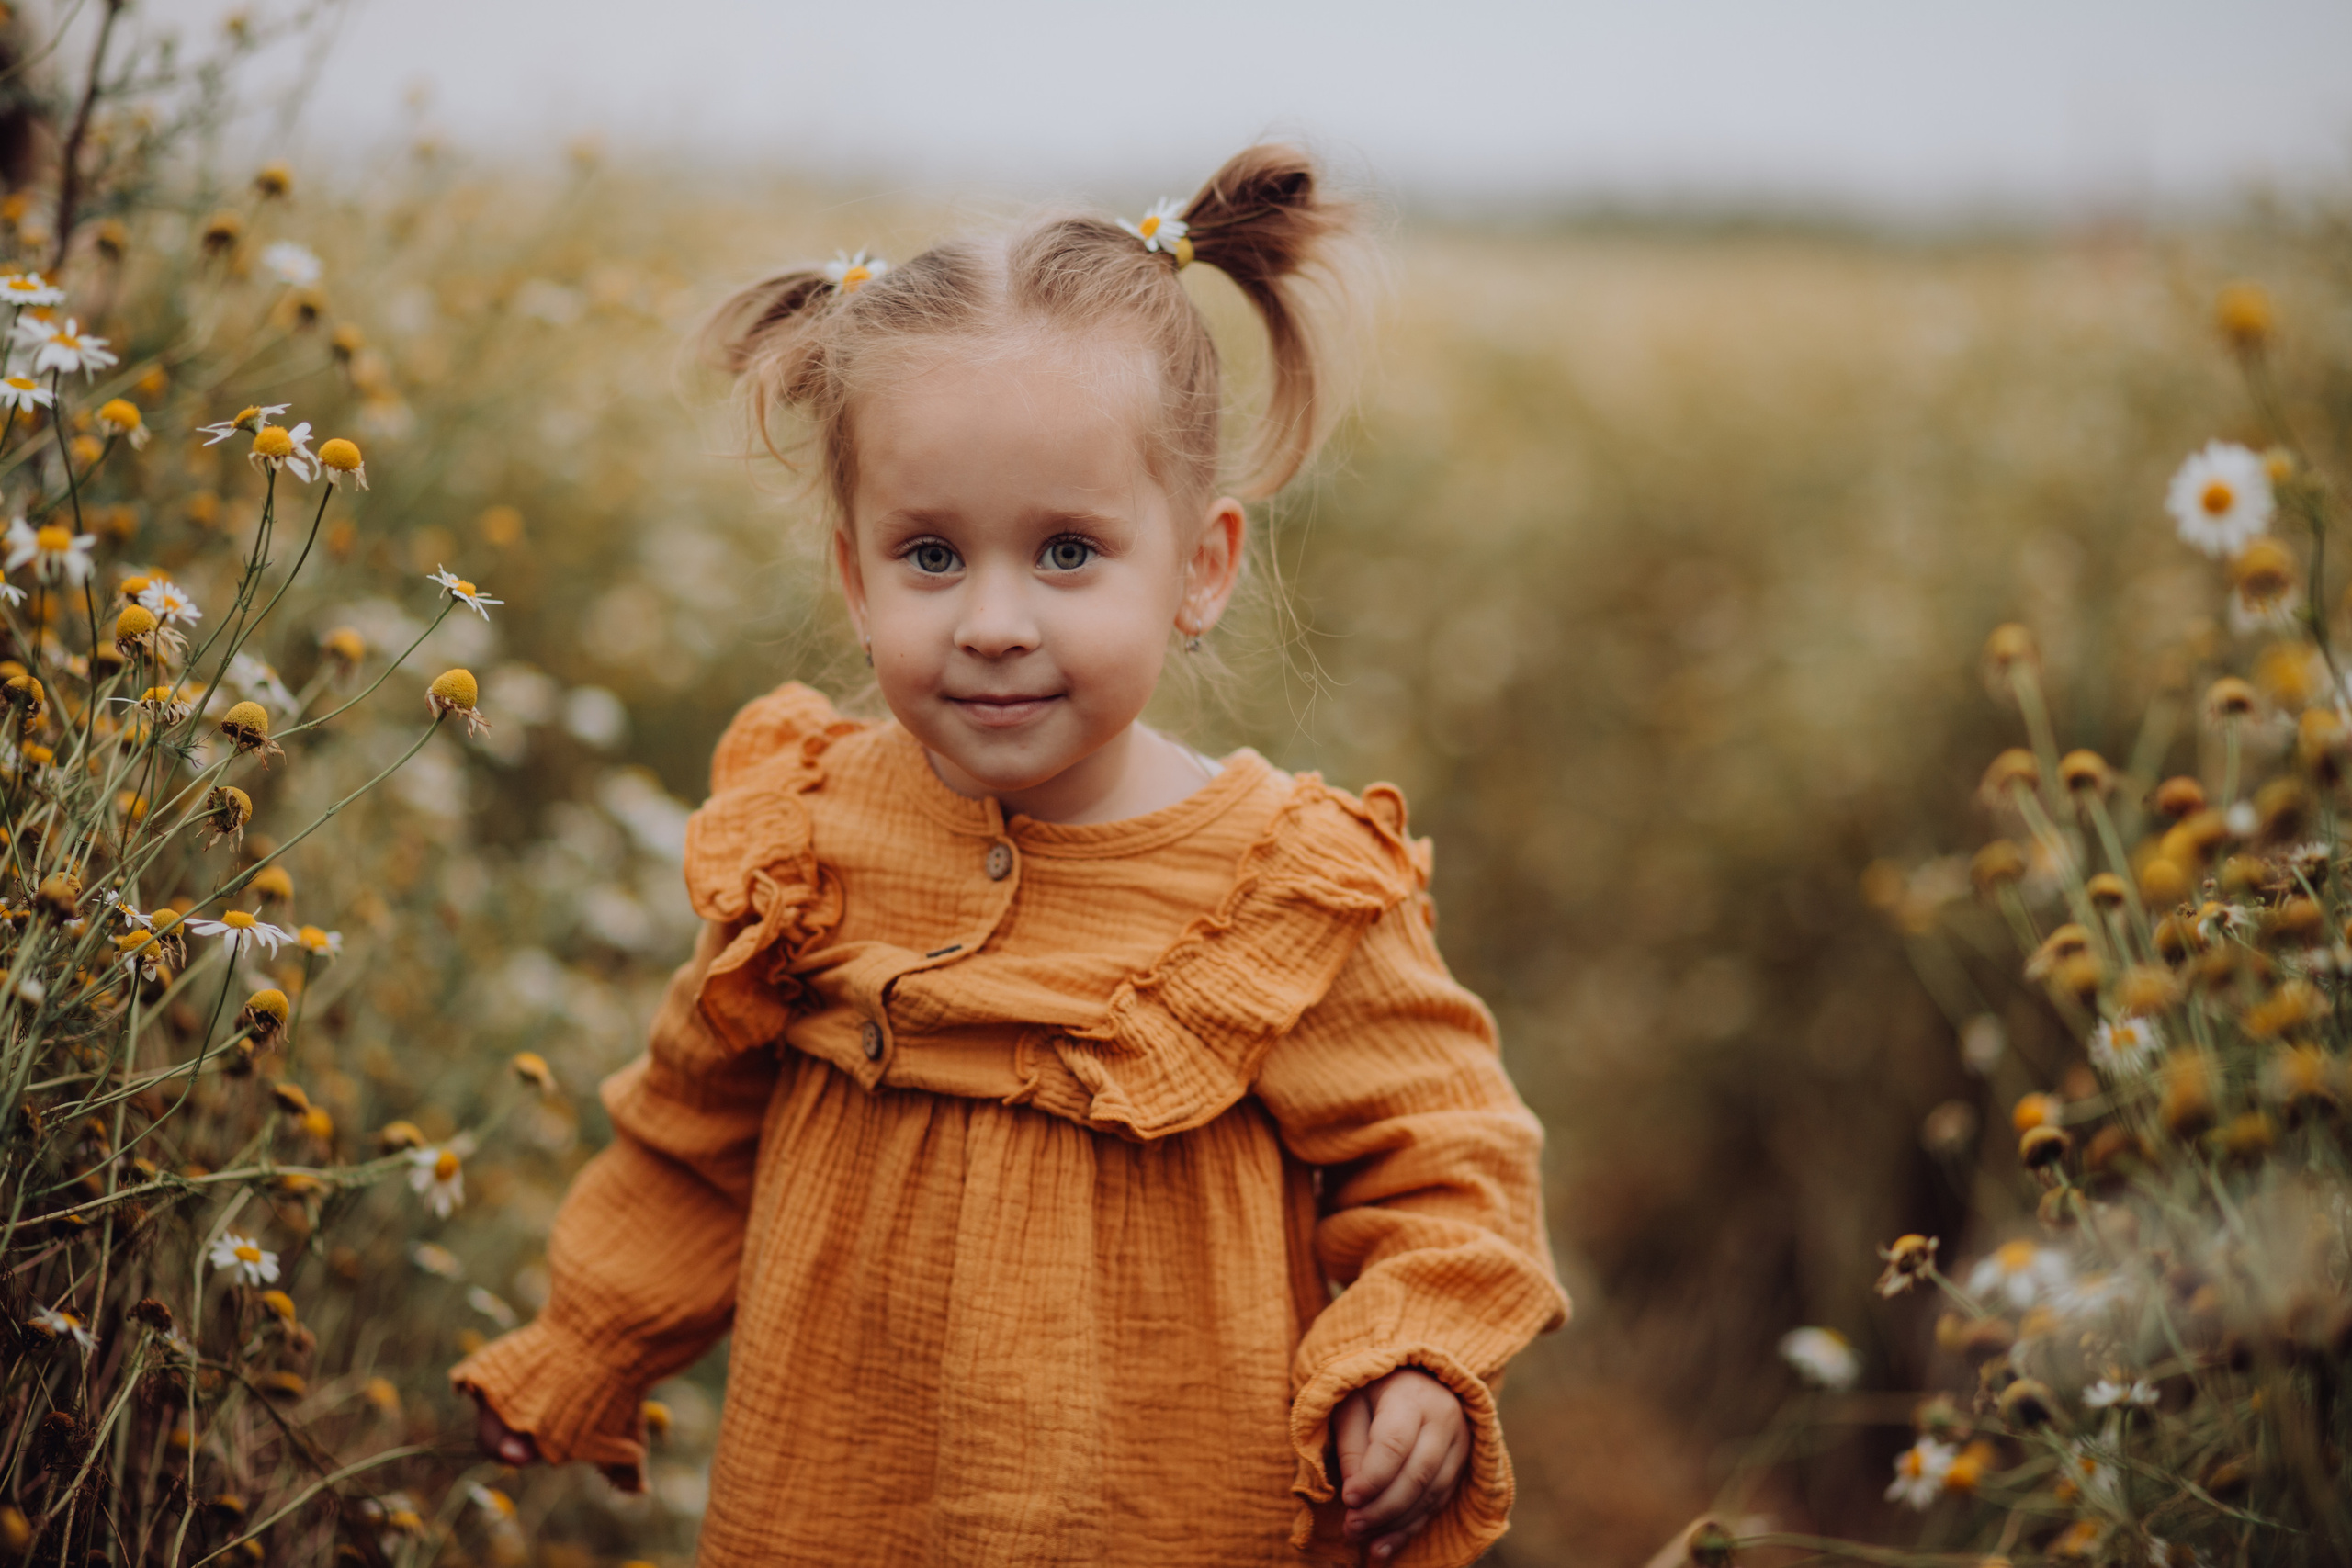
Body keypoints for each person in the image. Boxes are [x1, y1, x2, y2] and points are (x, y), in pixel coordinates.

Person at [452, 143, 1566, 1568]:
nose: (990, 620)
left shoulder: (1284, 884)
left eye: (1065, 554)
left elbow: (1450, 1160)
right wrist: (585, 1339)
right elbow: (692, 1137)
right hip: (832, 1505)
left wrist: (1411, 1350)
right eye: (929, 556)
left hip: (1167, 1515)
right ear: (854, 578)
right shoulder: (806, 841)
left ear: (1200, 568)